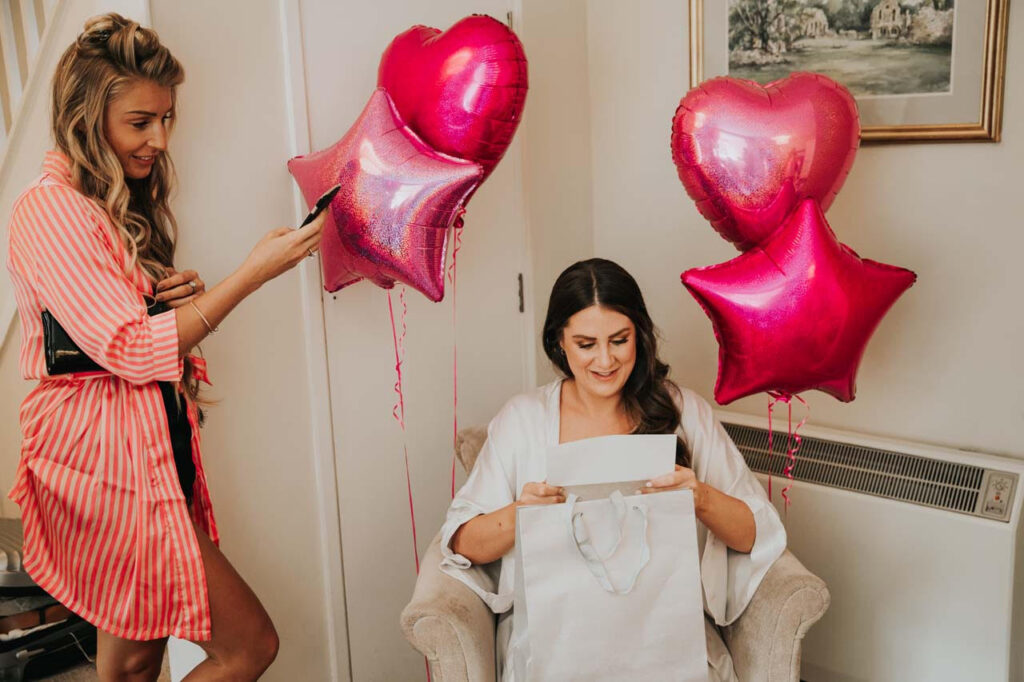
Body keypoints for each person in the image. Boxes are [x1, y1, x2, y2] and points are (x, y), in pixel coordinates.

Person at [5, 14, 325, 681]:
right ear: (89, 117)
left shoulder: (97, 206)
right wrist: (253, 273)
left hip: (137, 451)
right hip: (106, 465)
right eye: (141, 121)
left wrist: (153, 295)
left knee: (132, 663)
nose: (160, 138)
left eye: (167, 118)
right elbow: (125, 346)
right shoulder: (51, 208)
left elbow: (104, 325)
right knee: (248, 646)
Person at [440, 258, 787, 681]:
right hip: (558, 646)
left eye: (619, 340)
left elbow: (756, 533)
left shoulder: (684, 412)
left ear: (638, 336)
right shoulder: (523, 420)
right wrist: (520, 516)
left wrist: (700, 499)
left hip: (665, 640)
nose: (605, 360)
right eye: (586, 344)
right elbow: (462, 543)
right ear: (559, 344)